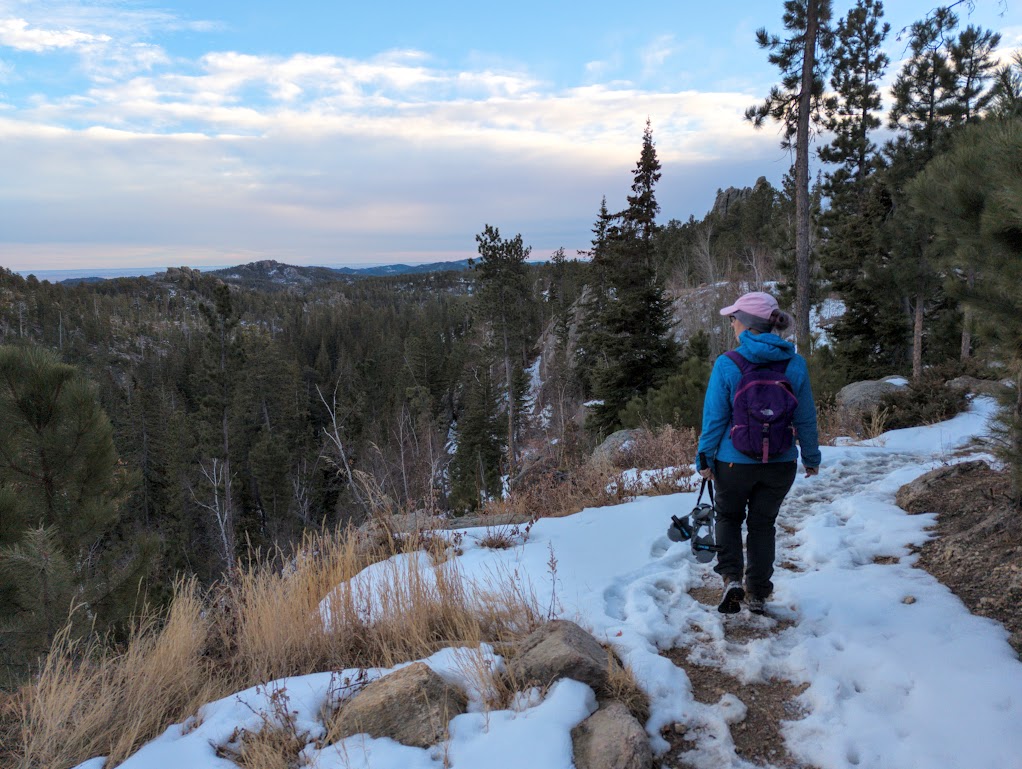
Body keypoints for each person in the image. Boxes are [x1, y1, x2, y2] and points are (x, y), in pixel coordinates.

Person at [696, 291, 821, 615]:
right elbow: (805, 416)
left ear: (746, 324)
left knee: (729, 517)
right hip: (780, 462)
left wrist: (705, 457)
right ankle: (759, 593)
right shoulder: (794, 363)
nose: (732, 323)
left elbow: (715, 418)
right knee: (763, 526)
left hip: (733, 461)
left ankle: (731, 580)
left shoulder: (728, 363)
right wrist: (810, 457)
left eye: (734, 318)